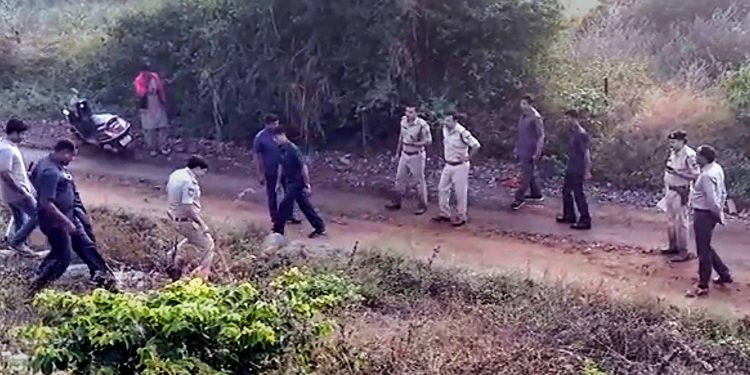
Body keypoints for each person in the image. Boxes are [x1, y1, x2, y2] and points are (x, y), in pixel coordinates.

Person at [28, 139, 116, 296]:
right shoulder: (50, 171)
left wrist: (75, 215)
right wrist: (66, 223)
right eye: (71, 156)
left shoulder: (55, 165)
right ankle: (34, 289)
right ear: (63, 152)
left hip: (70, 216)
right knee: (63, 257)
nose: (72, 160)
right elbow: (46, 203)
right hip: (56, 223)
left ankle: (108, 282)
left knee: (88, 247)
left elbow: (35, 179)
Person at [685, 145, 730, 298]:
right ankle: (724, 273)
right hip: (709, 213)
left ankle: (703, 284)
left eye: (698, 155)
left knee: (702, 250)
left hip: (704, 214)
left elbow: (711, 200)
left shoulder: (706, 176)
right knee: (706, 245)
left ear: (704, 158)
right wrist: (719, 212)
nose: (695, 158)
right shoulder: (716, 168)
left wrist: (718, 214)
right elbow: (723, 192)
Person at [165, 155, 215, 281]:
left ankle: (171, 257)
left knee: (191, 239)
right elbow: (188, 207)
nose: (203, 174)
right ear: (197, 168)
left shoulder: (176, 174)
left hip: (175, 217)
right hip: (187, 220)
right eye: (203, 171)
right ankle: (203, 276)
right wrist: (202, 224)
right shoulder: (189, 182)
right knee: (208, 245)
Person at [270, 127, 326, 238]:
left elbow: (303, 167)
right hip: (289, 181)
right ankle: (319, 226)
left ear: (282, 135)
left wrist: (307, 184)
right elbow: (281, 166)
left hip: (296, 183)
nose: (275, 141)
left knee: (284, 205)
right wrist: (278, 182)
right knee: (305, 205)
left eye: (276, 138)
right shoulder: (281, 149)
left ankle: (278, 230)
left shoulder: (293, 149)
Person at [431, 112, 481, 227]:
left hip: (460, 166)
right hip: (448, 164)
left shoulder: (462, 132)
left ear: (455, 121)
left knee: (460, 192)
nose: (446, 123)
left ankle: (462, 216)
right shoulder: (445, 129)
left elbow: (476, 145)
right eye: (445, 120)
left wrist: (468, 157)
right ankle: (444, 213)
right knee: (442, 188)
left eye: (448, 121)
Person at [660, 130, 701, 263]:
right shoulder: (674, 152)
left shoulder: (690, 155)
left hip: (681, 190)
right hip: (670, 189)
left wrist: (678, 173)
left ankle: (684, 251)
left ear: (681, 141)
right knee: (670, 220)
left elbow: (696, 175)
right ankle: (673, 246)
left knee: (681, 222)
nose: (671, 144)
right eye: (670, 142)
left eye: (674, 142)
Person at [385, 103, 432, 215]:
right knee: (399, 179)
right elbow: (401, 137)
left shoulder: (422, 125)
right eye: (407, 111)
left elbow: (429, 141)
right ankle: (397, 201)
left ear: (416, 113)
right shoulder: (403, 121)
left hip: (416, 155)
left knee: (419, 181)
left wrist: (415, 143)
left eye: (411, 112)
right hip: (404, 153)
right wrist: (397, 152)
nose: (408, 114)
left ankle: (423, 205)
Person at [253, 114, 301, 226]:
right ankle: (275, 217)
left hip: (285, 169)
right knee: (272, 194)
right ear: (267, 124)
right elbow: (257, 157)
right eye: (273, 124)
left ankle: (290, 215)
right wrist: (260, 174)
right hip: (270, 170)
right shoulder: (260, 137)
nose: (275, 126)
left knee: (289, 192)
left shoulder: (280, 134)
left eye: (277, 123)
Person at [0, 119, 38, 255]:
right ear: (13, 133)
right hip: (17, 192)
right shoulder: (6, 149)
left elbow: (11, 170)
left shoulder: (10, 146)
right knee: (38, 215)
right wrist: (21, 190)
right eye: (21, 134)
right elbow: (4, 172)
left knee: (20, 217)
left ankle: (21, 245)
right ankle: (17, 242)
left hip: (14, 192)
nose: (23, 137)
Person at [556, 110, 592, 230]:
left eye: (567, 118)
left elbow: (586, 153)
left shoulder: (581, 134)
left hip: (578, 168)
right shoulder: (573, 132)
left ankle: (585, 220)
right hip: (571, 166)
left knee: (578, 194)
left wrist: (587, 170)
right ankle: (569, 215)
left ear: (574, 118)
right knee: (566, 191)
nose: (565, 121)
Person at [512, 94, 545, 210]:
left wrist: (537, 152)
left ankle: (519, 198)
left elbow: (541, 136)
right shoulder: (523, 116)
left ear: (530, 104)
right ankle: (537, 193)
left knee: (525, 174)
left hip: (530, 150)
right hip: (523, 147)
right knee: (529, 171)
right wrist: (517, 147)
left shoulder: (536, 118)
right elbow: (521, 133)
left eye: (524, 104)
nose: (522, 106)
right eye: (521, 103)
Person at [134, 62, 170, 156]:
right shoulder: (139, 80)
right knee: (149, 129)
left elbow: (161, 89)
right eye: (145, 71)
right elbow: (140, 93)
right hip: (147, 104)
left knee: (163, 125)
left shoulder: (154, 77)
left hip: (157, 102)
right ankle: (152, 148)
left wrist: (163, 99)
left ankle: (162, 146)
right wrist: (147, 88)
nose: (147, 73)